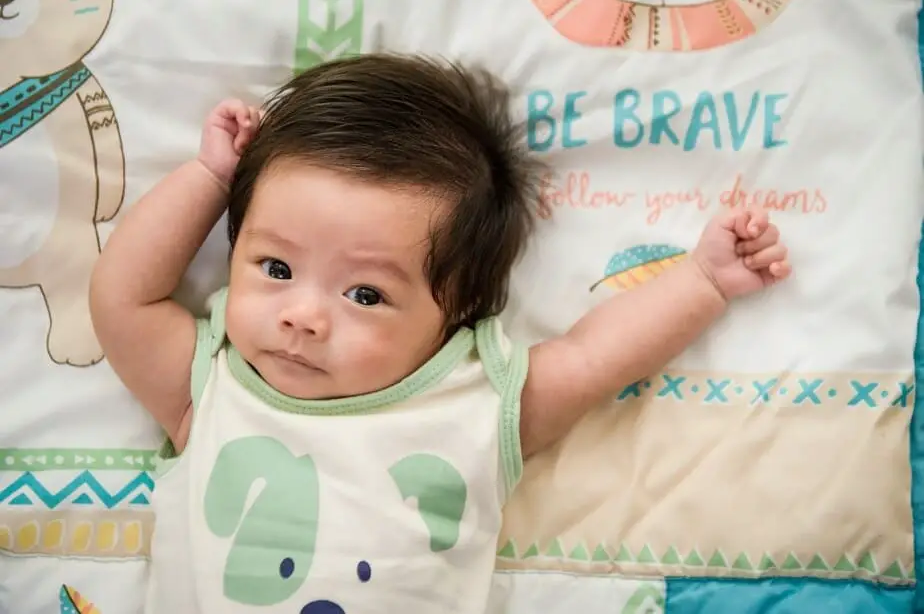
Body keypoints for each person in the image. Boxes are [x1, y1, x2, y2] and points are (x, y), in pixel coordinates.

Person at [90, 54, 790, 614]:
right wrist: (210, 177)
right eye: (275, 266)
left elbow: (592, 356)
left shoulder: (475, 401)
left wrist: (702, 281)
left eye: (365, 293)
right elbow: (124, 297)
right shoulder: (212, 384)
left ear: (455, 311)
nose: (302, 314)